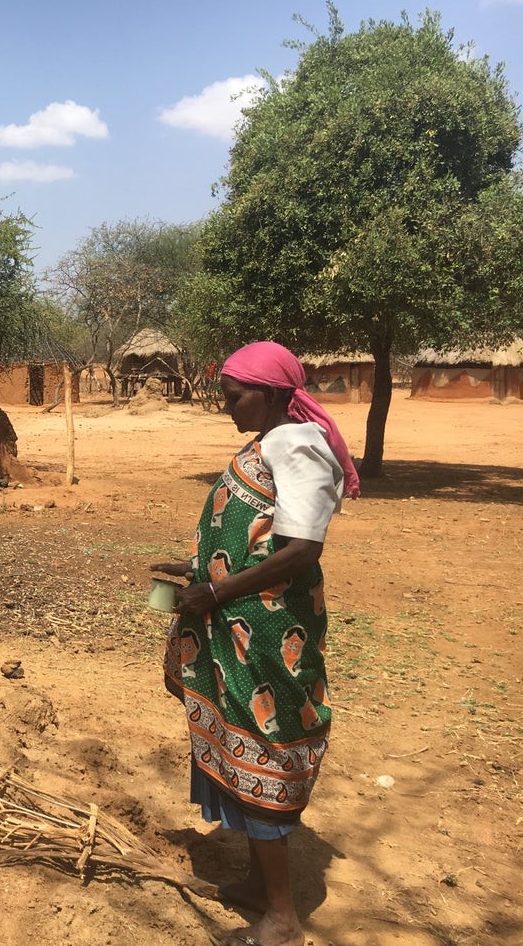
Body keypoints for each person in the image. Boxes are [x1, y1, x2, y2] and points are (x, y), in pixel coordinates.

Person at [151, 341, 359, 946]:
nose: (226, 406)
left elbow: (299, 550)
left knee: (265, 748)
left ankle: (281, 919)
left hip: (267, 633)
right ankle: (252, 881)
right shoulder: (268, 442)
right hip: (239, 619)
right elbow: (255, 533)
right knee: (240, 744)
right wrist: (198, 572)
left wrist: (215, 595)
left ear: (269, 394)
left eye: (234, 395)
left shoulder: (297, 444)